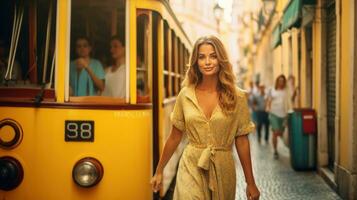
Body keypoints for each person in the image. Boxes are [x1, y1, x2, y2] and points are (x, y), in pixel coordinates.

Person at [150, 36, 260, 200]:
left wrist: (250, 183)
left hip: (223, 168)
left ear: (220, 59)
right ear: (195, 61)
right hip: (191, 164)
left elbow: (242, 140)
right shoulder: (185, 95)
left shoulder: (237, 97)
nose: (207, 62)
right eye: (202, 57)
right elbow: (174, 137)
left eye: (213, 56)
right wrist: (159, 170)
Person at [266, 75, 289, 159]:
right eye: (279, 80)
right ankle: (275, 150)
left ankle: (280, 146)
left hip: (284, 115)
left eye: (283, 81)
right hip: (274, 114)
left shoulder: (286, 91)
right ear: (277, 81)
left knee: (281, 133)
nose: (281, 82)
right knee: (275, 132)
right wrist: (268, 107)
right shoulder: (272, 90)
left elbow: (290, 100)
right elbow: (269, 100)